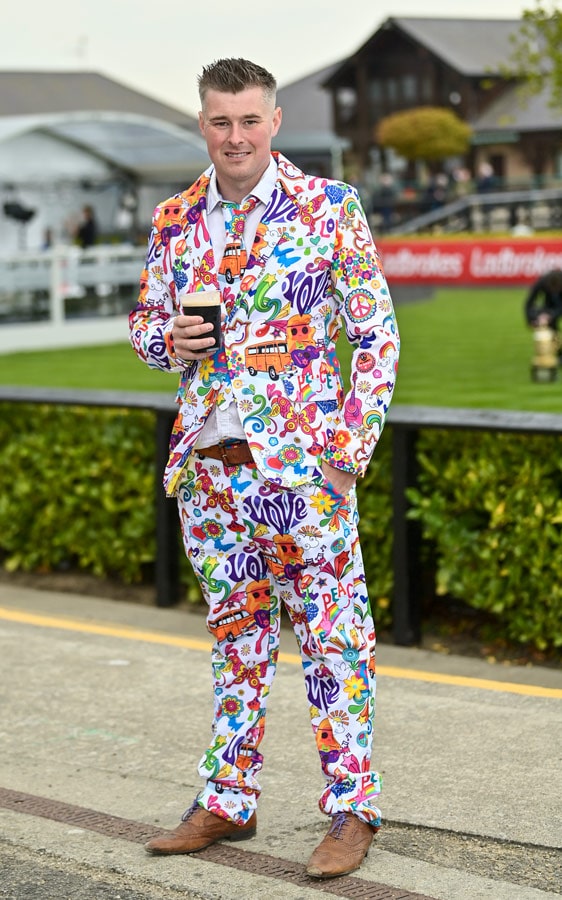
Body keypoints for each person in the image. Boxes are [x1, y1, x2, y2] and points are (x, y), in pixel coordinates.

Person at [129, 57, 399, 880]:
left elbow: (377, 339)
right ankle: (227, 800)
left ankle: (352, 810)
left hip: (305, 475)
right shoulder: (176, 218)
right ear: (202, 124)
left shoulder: (328, 209)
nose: (236, 136)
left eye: (250, 120)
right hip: (210, 470)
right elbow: (144, 325)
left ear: (274, 122)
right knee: (234, 640)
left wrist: (346, 462)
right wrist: (163, 340)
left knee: (334, 641)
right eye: (221, 121)